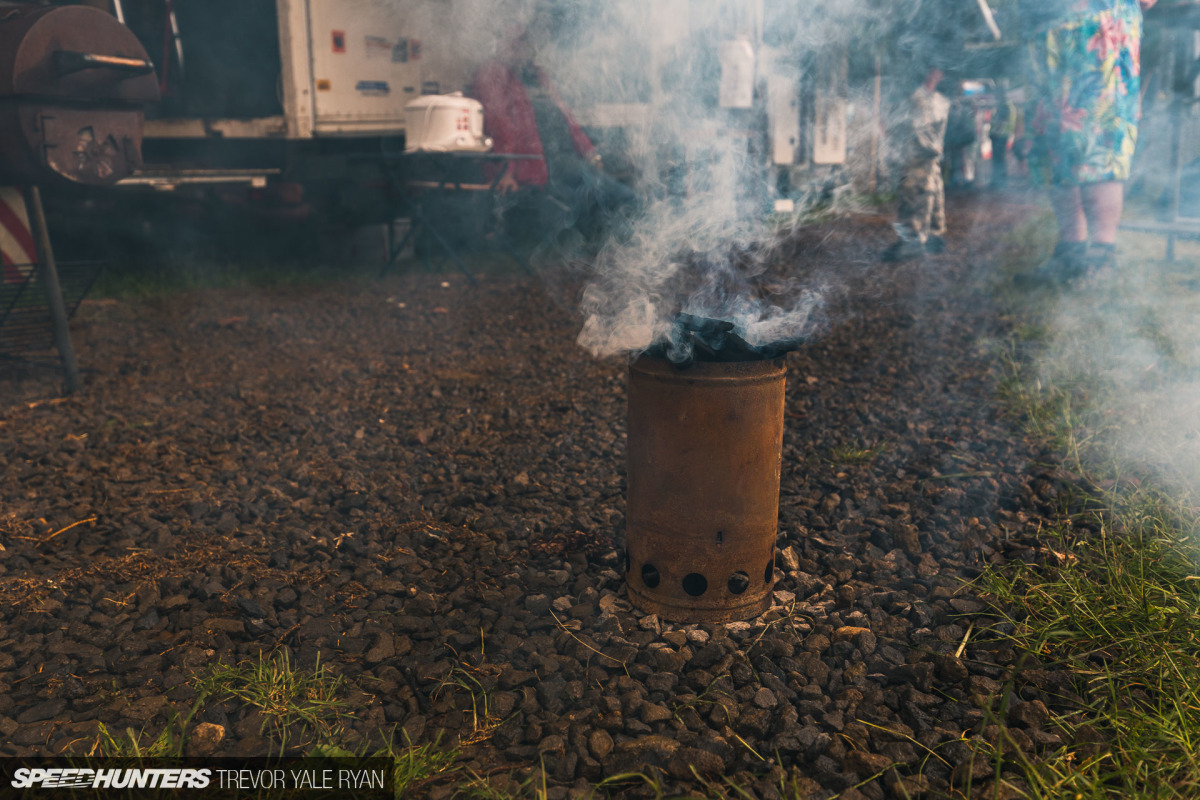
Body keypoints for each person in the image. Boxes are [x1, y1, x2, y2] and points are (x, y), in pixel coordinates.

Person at [1016, 0, 1156, 285]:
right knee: (1053, 142)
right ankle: (1071, 254)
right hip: (1046, 28)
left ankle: (1102, 258)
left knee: (1099, 141)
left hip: (1099, 24)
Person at [469, 24, 638, 247]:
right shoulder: (492, 75)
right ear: (499, 44)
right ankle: (631, 237)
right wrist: (505, 172)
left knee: (608, 183)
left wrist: (589, 152)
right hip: (536, 165)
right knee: (617, 195)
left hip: (560, 160)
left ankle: (618, 242)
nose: (520, 48)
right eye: (515, 42)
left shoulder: (537, 76)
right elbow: (500, 127)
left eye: (524, 43)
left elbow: (567, 118)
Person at [880, 65, 951, 262]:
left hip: (917, 156)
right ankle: (933, 236)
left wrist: (921, 151)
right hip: (931, 156)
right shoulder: (941, 101)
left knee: (913, 195)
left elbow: (917, 131)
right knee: (932, 193)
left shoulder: (917, 99)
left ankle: (911, 241)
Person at [989, 81, 1017, 188]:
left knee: (998, 159)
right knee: (999, 159)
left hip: (999, 136)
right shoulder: (1008, 105)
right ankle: (999, 181)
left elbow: (1002, 121)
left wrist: (994, 133)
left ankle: (999, 182)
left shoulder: (1004, 105)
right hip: (1002, 136)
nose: (996, 95)